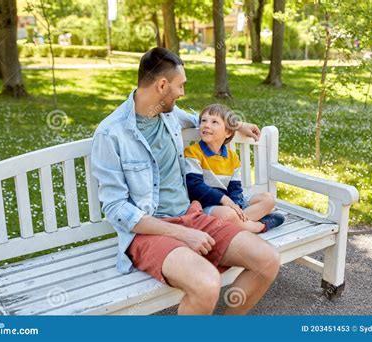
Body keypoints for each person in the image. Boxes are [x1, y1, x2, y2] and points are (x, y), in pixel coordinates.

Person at [91, 47, 280, 315]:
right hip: (149, 231)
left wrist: (238, 126)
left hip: (191, 215)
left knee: (267, 259)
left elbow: (201, 120)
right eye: (180, 86)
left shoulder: (168, 113)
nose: (182, 93)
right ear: (162, 85)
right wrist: (181, 234)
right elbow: (116, 210)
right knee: (206, 283)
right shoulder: (111, 134)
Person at [184, 104, 285, 233]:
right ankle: (259, 226)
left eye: (214, 122)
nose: (206, 125)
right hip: (207, 205)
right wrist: (225, 201)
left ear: (228, 132)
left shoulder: (232, 157)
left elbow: (235, 188)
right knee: (229, 214)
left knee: (268, 199)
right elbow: (195, 186)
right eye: (203, 120)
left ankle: (239, 221)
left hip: (230, 203)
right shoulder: (193, 153)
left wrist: (236, 204)